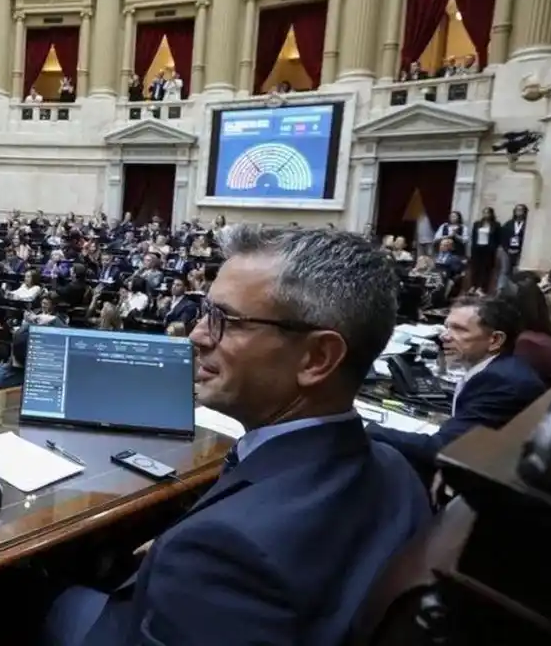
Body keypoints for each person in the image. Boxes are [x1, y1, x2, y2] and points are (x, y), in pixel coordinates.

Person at [42, 226, 430, 646]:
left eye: (225, 320)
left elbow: (244, 550)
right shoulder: (397, 469)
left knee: (33, 595)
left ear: (318, 358)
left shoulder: (225, 551)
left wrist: (185, 558)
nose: (197, 335)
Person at [368, 296, 546, 476]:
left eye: (459, 329)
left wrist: (368, 428)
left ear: (495, 340)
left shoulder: (502, 382)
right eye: (447, 327)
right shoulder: (498, 369)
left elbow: (444, 448)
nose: (444, 336)